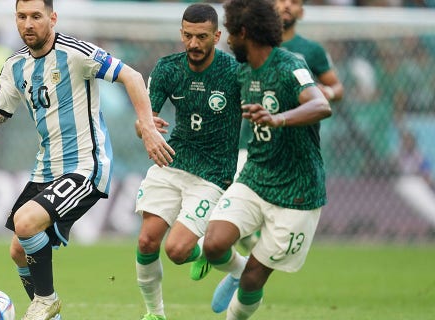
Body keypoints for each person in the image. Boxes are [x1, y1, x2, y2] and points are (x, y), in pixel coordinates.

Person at [0, 1, 174, 319]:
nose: (28, 24)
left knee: (26, 221)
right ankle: (51, 314)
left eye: (36, 16)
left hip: (85, 166)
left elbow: (131, 75)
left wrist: (146, 125)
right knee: (19, 250)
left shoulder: (75, 53)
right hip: (46, 168)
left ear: (52, 18)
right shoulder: (15, 66)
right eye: (22, 17)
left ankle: (46, 300)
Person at [202, 0, 332, 319]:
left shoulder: (290, 66)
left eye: (231, 33)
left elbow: (321, 105)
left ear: (244, 32)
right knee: (213, 245)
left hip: (297, 190)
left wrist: (278, 118)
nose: (227, 40)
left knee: (253, 279)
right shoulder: (242, 71)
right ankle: (236, 269)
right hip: (256, 176)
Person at [133, 4, 243, 320]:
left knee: (177, 250)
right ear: (181, 33)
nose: (193, 44)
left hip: (213, 172)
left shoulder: (234, 73)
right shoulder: (168, 69)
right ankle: (155, 314)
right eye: (188, 36)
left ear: (217, 36)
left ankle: (238, 269)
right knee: (146, 241)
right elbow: (143, 121)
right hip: (174, 161)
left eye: (202, 37)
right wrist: (146, 128)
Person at [237, 0, 344, 252]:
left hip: (291, 146)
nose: (286, 5)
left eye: (294, 2)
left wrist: (324, 91)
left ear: (301, 12)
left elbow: (337, 88)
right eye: (281, 0)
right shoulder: (253, 45)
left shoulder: (311, 50)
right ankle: (217, 248)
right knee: (233, 202)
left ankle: (247, 261)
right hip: (252, 141)